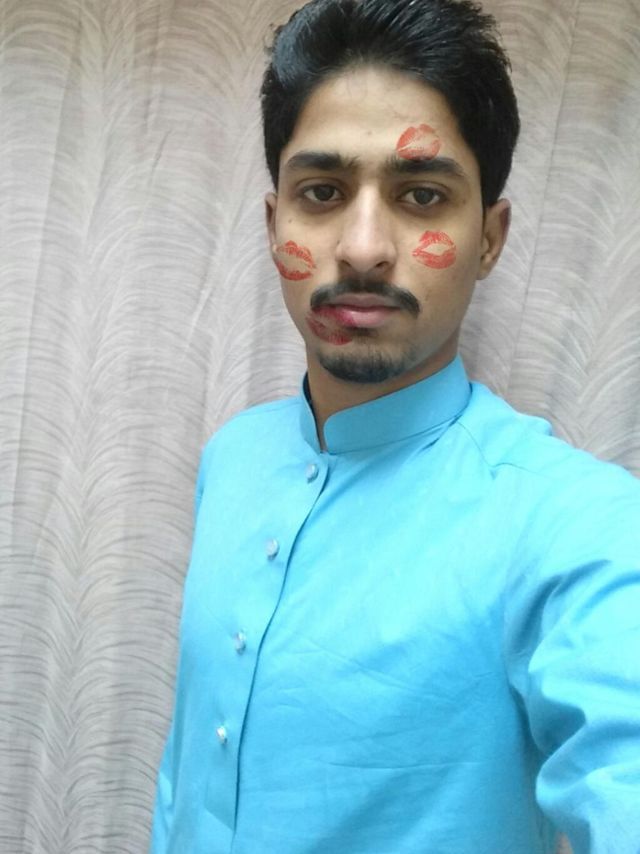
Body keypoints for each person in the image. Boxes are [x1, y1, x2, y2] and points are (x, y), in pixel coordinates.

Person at [150, 1, 640, 852]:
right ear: (274, 225)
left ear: (489, 239)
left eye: (421, 194)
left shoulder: (575, 525)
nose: (364, 248)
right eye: (322, 192)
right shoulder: (233, 456)